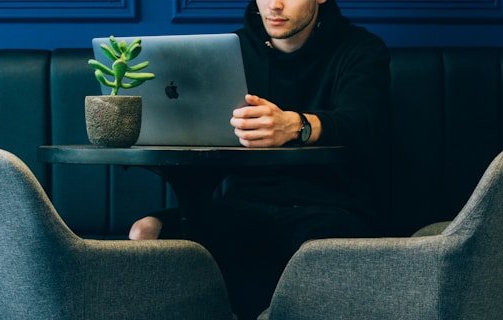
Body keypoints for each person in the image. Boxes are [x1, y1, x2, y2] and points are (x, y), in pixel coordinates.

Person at [130, 0, 391, 318]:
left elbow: (361, 121)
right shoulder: (231, 51)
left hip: (329, 207)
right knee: (145, 231)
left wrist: (295, 125)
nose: (275, 5)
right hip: (244, 205)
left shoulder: (361, 49)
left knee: (321, 251)